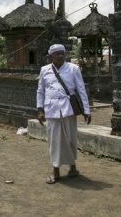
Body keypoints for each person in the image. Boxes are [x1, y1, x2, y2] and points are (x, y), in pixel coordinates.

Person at [36, 44, 91, 184]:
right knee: (54, 141)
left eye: (62, 53)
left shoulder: (73, 69)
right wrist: (40, 110)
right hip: (51, 110)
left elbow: (81, 90)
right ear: (51, 56)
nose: (60, 56)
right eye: (57, 54)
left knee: (71, 139)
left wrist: (86, 110)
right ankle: (56, 171)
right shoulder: (44, 70)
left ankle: (73, 167)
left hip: (69, 110)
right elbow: (40, 91)